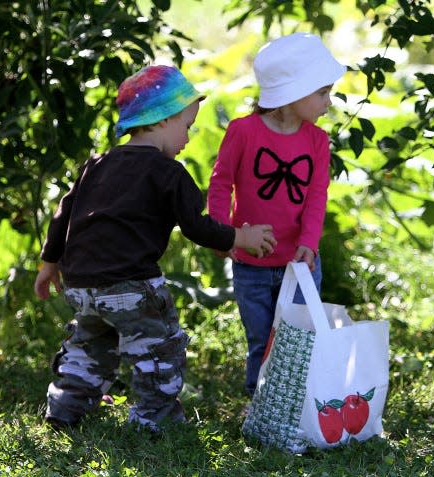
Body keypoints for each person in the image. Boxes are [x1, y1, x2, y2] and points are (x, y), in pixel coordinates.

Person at [33, 65, 277, 432]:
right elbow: (197, 226)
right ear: (162, 120)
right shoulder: (169, 172)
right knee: (158, 350)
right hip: (132, 287)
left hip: (81, 286)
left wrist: (49, 264)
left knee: (90, 347)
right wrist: (240, 237)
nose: (189, 138)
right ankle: (154, 417)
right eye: (187, 126)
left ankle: (65, 407)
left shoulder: (96, 165)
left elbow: (63, 214)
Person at [207, 33, 346, 396]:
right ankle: (260, 403)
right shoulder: (242, 132)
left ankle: (296, 404)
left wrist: (309, 244)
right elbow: (221, 183)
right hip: (251, 264)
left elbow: (317, 196)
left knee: (298, 340)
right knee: (259, 339)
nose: (328, 103)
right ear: (291, 93)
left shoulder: (317, 141)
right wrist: (221, 232)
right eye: (322, 93)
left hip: (298, 265)